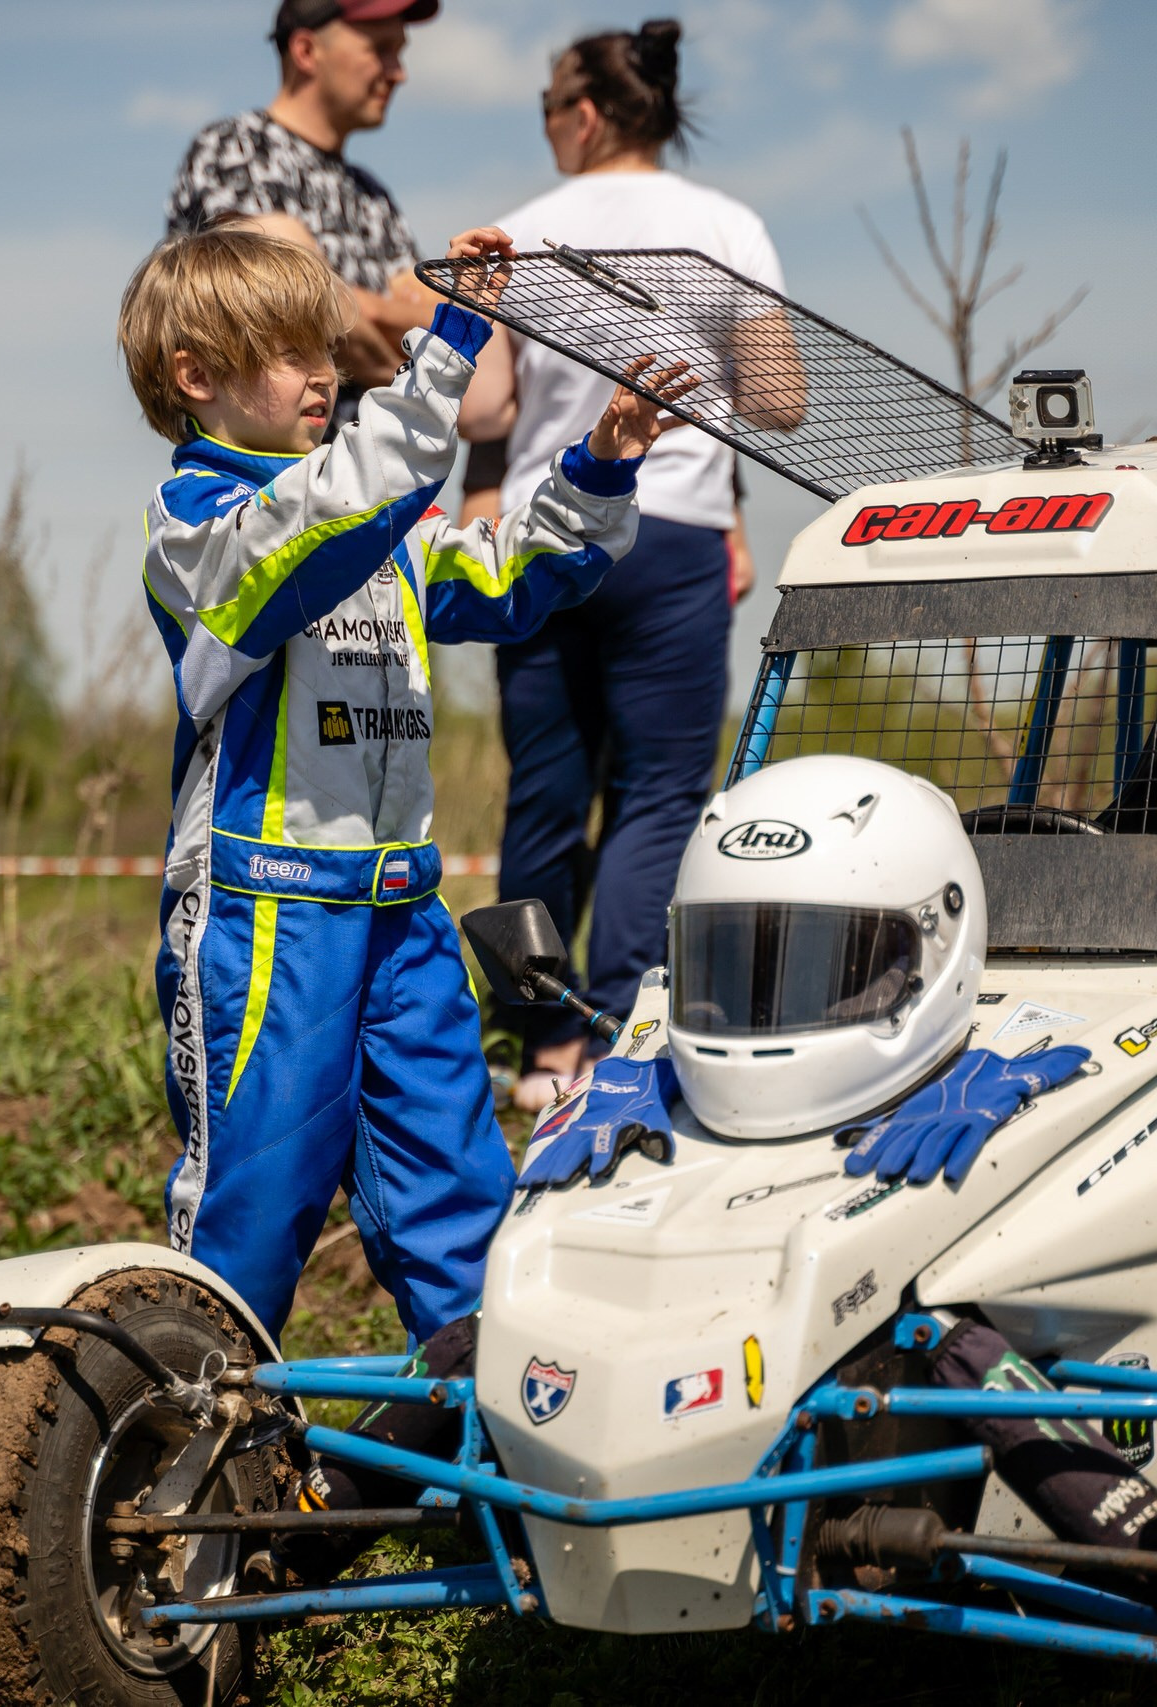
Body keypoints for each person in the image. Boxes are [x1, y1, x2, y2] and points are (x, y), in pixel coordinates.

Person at [117, 222, 696, 1340]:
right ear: (197, 378)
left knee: (460, 1200)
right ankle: (198, 1460)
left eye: (328, 348)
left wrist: (601, 465)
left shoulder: (376, 523)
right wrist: (448, 345)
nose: (324, 373)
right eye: (291, 352)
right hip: (266, 915)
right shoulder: (198, 527)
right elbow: (322, 523)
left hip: (402, 913)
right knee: (253, 1205)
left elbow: (506, 574)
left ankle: (492, 1454)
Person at [455, 19, 796, 1111]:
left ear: (586, 112)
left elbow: (485, 410)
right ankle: (617, 1037)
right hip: (677, 534)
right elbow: (782, 401)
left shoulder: (520, 234)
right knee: (657, 794)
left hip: (552, 529)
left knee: (546, 796)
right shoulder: (727, 227)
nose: (547, 128)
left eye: (549, 110)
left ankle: (539, 1049)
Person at [165, 0, 442, 418]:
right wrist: (410, 384)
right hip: (264, 476)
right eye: (380, 49)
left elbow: (431, 317)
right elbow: (283, 305)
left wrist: (358, 307)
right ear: (307, 52)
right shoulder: (235, 149)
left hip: (371, 478)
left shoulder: (372, 196)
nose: (398, 71)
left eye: (399, 53)